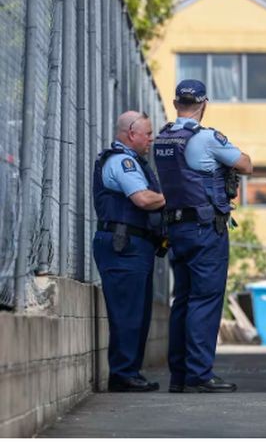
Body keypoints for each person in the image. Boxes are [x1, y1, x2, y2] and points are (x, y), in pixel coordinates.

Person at [153, 80, 252, 393]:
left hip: (175, 227)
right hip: (205, 229)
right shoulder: (206, 138)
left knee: (182, 300)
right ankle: (199, 375)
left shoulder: (162, 138)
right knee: (205, 300)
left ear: (175, 103)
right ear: (203, 104)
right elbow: (245, 164)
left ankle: (180, 375)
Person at [92, 111, 166, 392]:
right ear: (131, 133)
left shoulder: (134, 161)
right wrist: (177, 197)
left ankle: (129, 372)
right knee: (127, 312)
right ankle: (123, 374)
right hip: (123, 246)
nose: (151, 138)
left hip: (134, 246)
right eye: (147, 133)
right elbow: (143, 198)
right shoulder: (122, 161)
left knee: (138, 312)